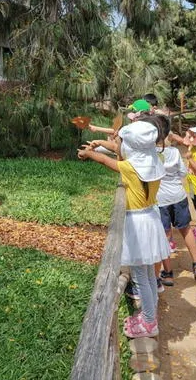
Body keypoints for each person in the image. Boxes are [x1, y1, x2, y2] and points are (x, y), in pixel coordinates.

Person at [78, 121, 169, 337]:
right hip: (150, 219)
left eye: (122, 142)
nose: (119, 145)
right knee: (147, 275)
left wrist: (89, 154)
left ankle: (149, 322)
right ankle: (149, 315)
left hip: (137, 224)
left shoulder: (130, 167)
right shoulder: (154, 161)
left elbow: (104, 160)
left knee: (140, 275)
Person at [148, 115, 196, 285]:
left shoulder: (152, 154)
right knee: (186, 229)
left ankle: (168, 272)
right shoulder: (173, 152)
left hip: (161, 199)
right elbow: (182, 173)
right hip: (178, 196)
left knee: (165, 235)